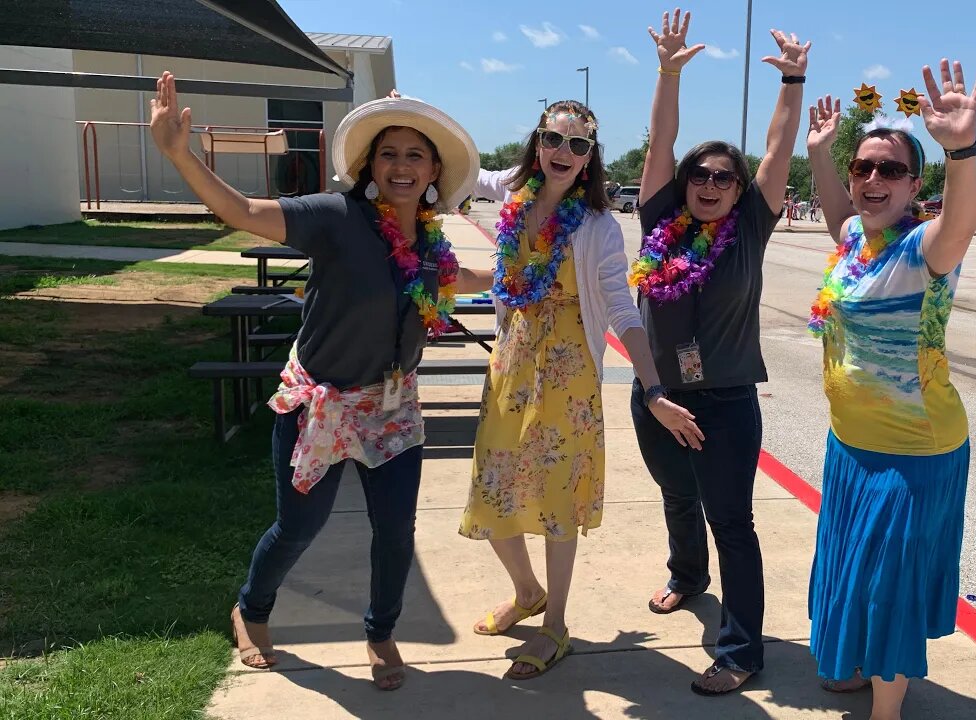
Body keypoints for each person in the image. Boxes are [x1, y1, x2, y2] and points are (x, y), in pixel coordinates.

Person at [149, 73, 492, 690]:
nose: (402, 165)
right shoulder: (337, 217)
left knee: (395, 531)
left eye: (416, 154)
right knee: (299, 527)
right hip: (320, 404)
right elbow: (243, 211)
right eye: (389, 153)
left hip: (391, 407)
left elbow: (455, 277)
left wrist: (519, 278)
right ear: (370, 165)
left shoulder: (430, 239)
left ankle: (381, 631)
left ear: (435, 169)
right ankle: (251, 607)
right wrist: (181, 154)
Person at [459, 99, 702, 681]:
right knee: (493, 489)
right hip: (512, 368)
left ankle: (556, 624)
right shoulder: (511, 200)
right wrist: (411, 118)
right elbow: (459, 165)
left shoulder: (596, 228)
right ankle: (527, 591)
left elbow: (621, 308)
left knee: (557, 498)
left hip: (568, 379)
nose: (563, 153)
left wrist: (653, 389)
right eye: (553, 140)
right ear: (536, 144)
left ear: (591, 159)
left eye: (578, 146)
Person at [630, 9, 806, 696]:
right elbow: (660, 141)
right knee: (676, 496)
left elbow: (776, 148)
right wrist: (668, 72)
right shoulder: (658, 221)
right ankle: (686, 576)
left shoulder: (750, 229)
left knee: (732, 520)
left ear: (740, 191)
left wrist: (792, 80)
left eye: (723, 178)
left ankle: (741, 651)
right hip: (655, 396)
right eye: (699, 175)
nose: (709, 184)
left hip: (726, 402)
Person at [804, 56, 976, 720]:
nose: (873, 179)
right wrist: (823, 155)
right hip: (851, 444)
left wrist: (961, 148)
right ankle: (859, 667)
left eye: (890, 170)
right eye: (863, 168)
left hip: (915, 450)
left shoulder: (925, 252)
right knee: (849, 571)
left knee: (887, 586)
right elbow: (836, 214)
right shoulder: (856, 239)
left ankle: (887, 711)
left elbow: (965, 218)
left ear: (916, 185)